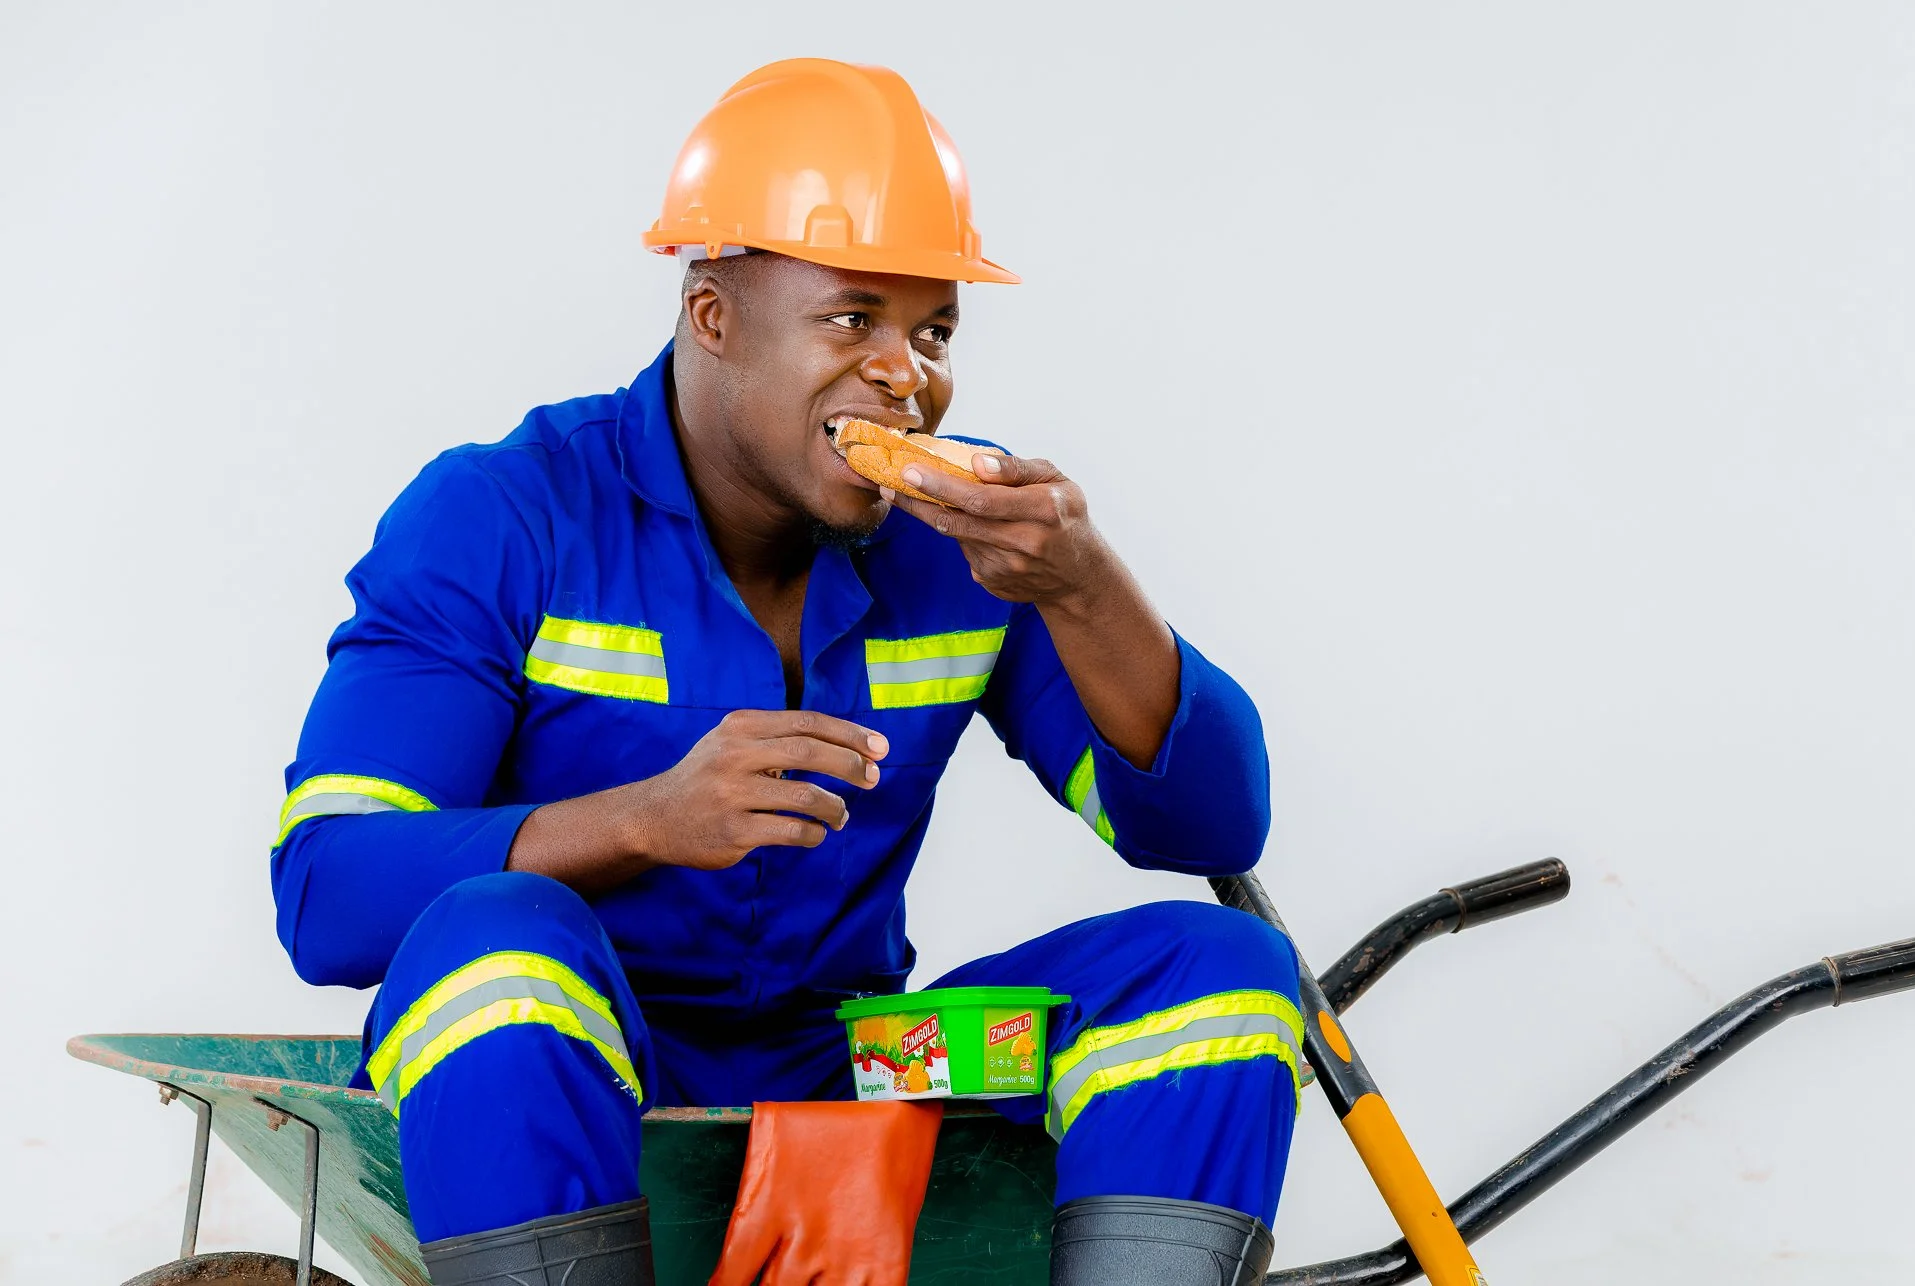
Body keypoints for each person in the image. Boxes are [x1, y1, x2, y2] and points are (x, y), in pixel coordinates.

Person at [271, 58, 1298, 1286]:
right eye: (852, 316)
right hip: (593, 1053)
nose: (904, 372)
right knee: (492, 941)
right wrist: (647, 818)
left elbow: (1207, 825)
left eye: (934, 330)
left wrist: (1085, 585)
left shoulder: (961, 544)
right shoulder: (503, 515)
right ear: (713, 316)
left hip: (868, 1058)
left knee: (1219, 968)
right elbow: (329, 893)